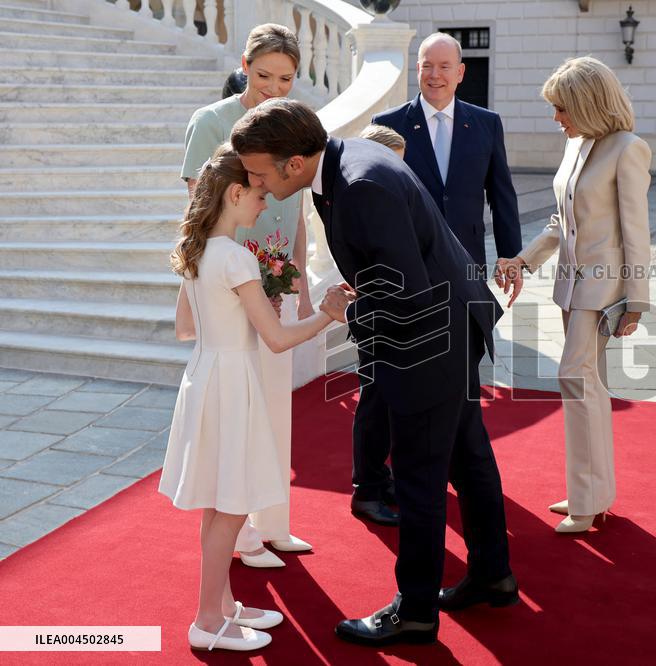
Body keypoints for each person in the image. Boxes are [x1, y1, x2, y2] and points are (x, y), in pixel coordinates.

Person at [231, 99, 518, 646]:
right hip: (450, 324)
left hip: (430, 338)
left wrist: (347, 312)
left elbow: (406, 292)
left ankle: (414, 612)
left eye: (259, 171)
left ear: (294, 163)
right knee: (467, 458)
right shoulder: (347, 159)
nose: (256, 182)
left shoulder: (358, 184)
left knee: (418, 477)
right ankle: (493, 575)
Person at [160, 145, 337, 652]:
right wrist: (328, 314)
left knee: (219, 507)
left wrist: (243, 308)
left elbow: (185, 327)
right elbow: (278, 340)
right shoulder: (235, 257)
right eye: (258, 193)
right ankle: (205, 620)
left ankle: (222, 607)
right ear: (235, 193)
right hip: (233, 383)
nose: (265, 203)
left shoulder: (198, 252)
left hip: (206, 377)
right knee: (231, 508)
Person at [353, 32, 522, 527]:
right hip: (405, 275)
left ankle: (455, 469)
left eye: (445, 66)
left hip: (466, 270)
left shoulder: (486, 124)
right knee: (382, 382)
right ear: (418, 69)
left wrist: (510, 256)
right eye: (427, 65)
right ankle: (369, 484)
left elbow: (502, 194)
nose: (435, 74)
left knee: (461, 379)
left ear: (461, 71)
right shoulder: (387, 126)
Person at [496, 56, 651, 533]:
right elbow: (560, 224)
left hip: (603, 290)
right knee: (588, 386)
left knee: (575, 378)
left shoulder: (628, 149)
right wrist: (523, 261)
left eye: (561, 108)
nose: (556, 118)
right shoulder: (576, 147)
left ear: (587, 103)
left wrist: (637, 301)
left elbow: (636, 232)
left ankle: (587, 501)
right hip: (571, 286)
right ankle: (592, 493)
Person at [180, 23, 313, 568]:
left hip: (276, 281)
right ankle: (238, 534)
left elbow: (298, 207)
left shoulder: (295, 122)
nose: (273, 89)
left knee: (274, 407)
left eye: (285, 79)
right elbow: (198, 210)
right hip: (231, 280)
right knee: (237, 413)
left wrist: (301, 276)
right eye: (262, 76)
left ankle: (273, 523)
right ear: (243, 64)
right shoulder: (210, 122)